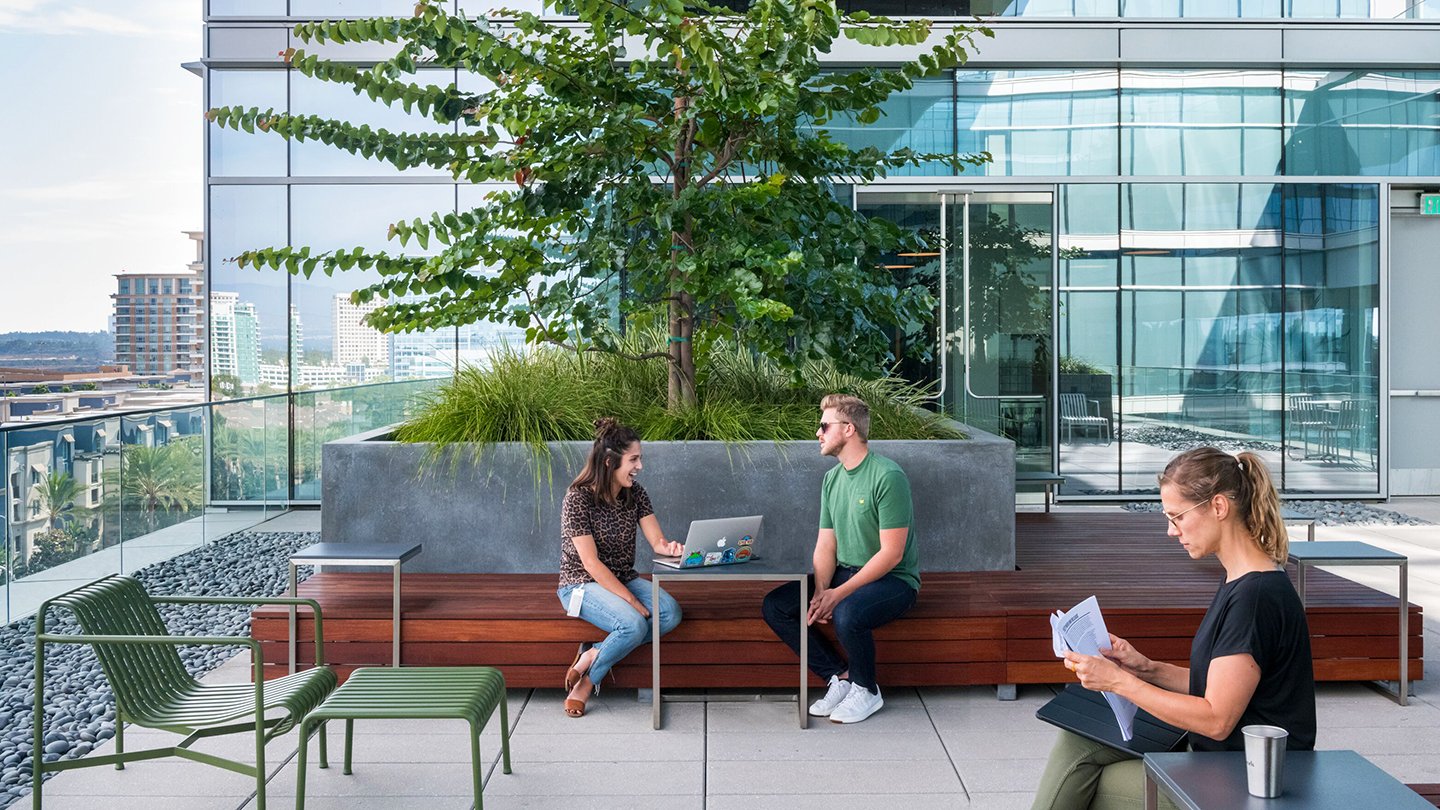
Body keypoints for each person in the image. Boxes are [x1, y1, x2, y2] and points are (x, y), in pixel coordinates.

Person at [1032, 447, 1316, 810]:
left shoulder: (1255, 598)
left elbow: (1216, 719)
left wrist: (1119, 682)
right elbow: (1218, 686)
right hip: (1230, 762)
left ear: (1218, 507)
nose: (1170, 531)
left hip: (1251, 779)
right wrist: (1144, 668)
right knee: (1076, 744)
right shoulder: (1244, 581)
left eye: (1177, 517)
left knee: (1095, 782)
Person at [761, 393, 920, 724]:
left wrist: (838, 594)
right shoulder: (832, 479)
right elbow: (825, 545)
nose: (817, 433)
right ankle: (840, 676)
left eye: (823, 426)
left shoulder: (887, 476)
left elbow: (892, 554)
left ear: (848, 429)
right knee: (777, 605)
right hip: (843, 574)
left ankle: (867, 689)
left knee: (848, 612)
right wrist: (821, 590)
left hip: (892, 581)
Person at [557, 418, 684, 718]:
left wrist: (672, 549)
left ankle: (592, 652)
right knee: (633, 624)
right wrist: (631, 601)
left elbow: (658, 542)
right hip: (581, 584)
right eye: (634, 459)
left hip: (622, 578)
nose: (639, 466)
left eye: (640, 458)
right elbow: (590, 563)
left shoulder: (635, 493)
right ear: (610, 461)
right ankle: (588, 683)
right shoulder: (578, 499)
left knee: (671, 613)